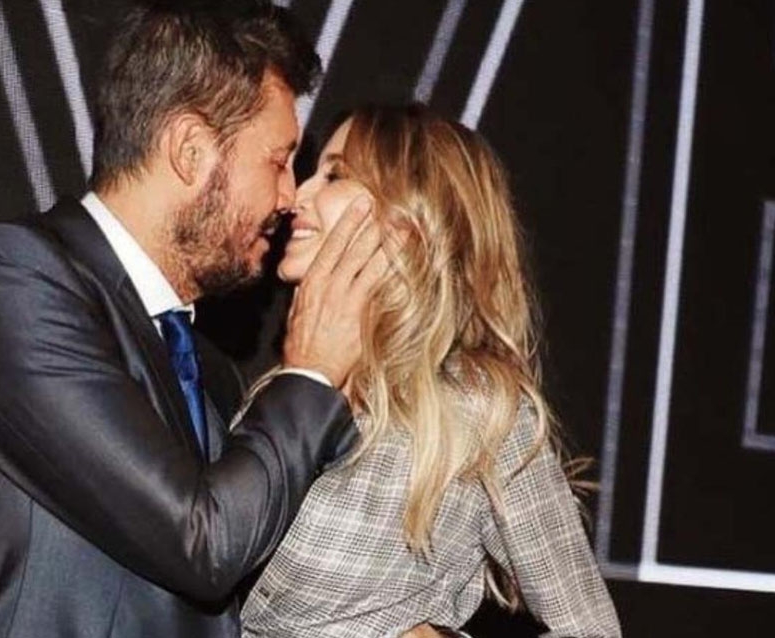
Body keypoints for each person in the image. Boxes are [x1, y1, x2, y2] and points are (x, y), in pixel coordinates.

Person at [0, 2, 387, 636]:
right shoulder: (12, 281)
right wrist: (312, 374)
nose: (287, 196)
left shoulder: (210, 373)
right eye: (278, 161)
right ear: (190, 151)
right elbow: (202, 542)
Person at [239, 104, 622, 637]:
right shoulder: (282, 390)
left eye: (335, 175)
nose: (298, 195)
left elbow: (591, 629)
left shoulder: (476, 408)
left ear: (410, 220)